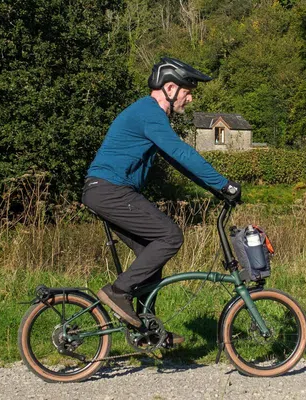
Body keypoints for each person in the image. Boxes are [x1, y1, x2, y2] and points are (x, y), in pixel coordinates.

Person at [82, 57, 241, 345]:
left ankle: (146, 329)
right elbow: (182, 153)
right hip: (110, 189)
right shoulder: (149, 113)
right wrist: (225, 184)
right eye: (187, 91)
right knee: (170, 237)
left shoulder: (149, 115)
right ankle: (118, 292)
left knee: (150, 255)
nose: (190, 98)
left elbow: (177, 161)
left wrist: (216, 190)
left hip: (106, 190)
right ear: (169, 87)